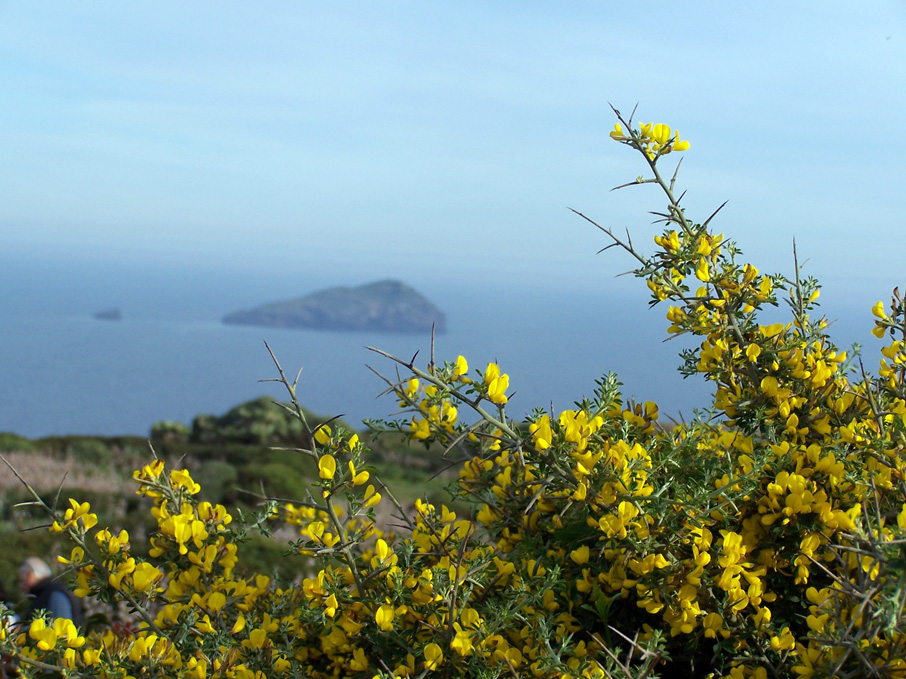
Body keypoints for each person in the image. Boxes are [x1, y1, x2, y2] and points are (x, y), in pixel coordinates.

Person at [18, 557, 82, 628]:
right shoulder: (45, 593)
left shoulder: (55, 593)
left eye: (21, 580)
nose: (20, 586)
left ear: (29, 575)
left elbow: (61, 629)